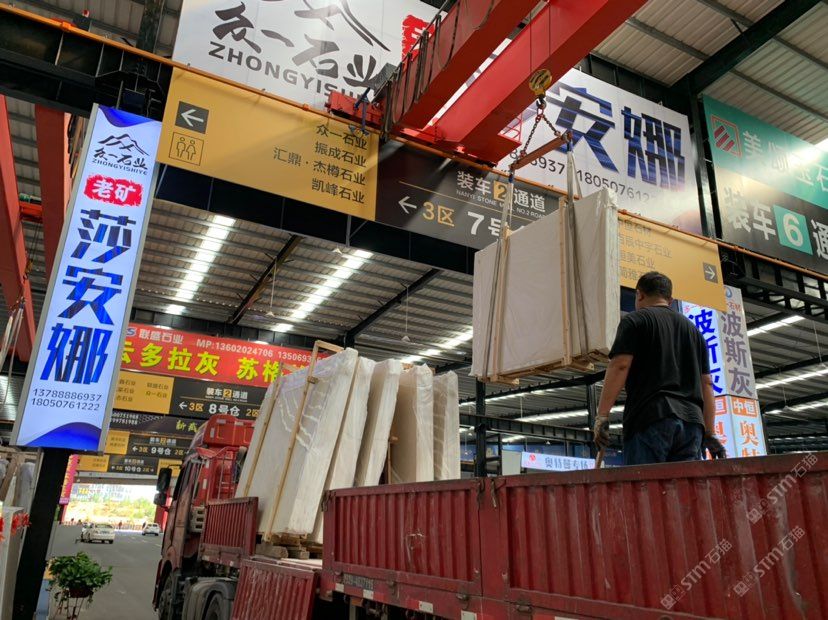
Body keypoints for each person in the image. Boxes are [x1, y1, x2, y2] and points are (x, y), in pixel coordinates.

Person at [593, 271, 727, 465]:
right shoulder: (695, 332)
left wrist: (602, 415)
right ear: (670, 300)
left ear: (639, 295)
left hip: (651, 417)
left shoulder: (635, 321)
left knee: (645, 483)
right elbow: (707, 383)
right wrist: (709, 432)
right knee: (682, 483)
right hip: (692, 425)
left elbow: (620, 365)